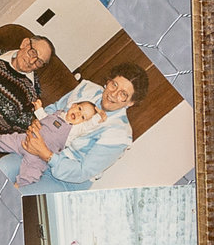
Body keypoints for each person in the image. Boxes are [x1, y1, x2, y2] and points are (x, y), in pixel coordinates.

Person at [22, 66, 150, 194]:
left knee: (22, 195)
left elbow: (83, 171)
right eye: (114, 85)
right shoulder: (87, 89)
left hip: (65, 180)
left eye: (123, 94)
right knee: (8, 165)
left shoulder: (120, 135)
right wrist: (39, 124)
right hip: (38, 150)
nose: (113, 94)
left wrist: (47, 155)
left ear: (130, 102)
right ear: (108, 81)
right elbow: (55, 109)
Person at [9, 97, 109, 189]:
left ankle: (17, 186)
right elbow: (44, 118)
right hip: (29, 139)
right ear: (73, 105)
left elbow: (87, 126)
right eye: (79, 109)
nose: (79, 114)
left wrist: (98, 118)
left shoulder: (74, 130)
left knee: (32, 173)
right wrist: (38, 108)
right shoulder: (59, 114)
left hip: (41, 156)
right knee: (7, 140)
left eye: (83, 117)